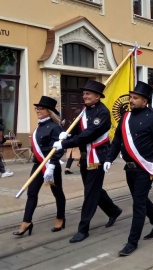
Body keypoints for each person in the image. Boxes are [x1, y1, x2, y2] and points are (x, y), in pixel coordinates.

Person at [104, 82, 153, 256]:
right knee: (139, 198)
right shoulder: (125, 117)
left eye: (135, 98)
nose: (131, 101)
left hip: (145, 169)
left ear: (145, 101)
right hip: (130, 168)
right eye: (131, 97)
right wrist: (109, 158)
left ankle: (132, 242)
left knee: (138, 204)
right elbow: (118, 140)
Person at [53, 80, 123, 243]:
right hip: (86, 156)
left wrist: (65, 144)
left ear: (97, 96)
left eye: (88, 94)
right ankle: (113, 210)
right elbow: (77, 130)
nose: (84, 96)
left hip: (98, 158)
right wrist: (66, 135)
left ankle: (83, 229)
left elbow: (89, 134)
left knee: (90, 193)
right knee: (93, 189)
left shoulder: (103, 113)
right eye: (83, 94)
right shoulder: (83, 112)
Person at [13, 96, 66, 236]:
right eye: (37, 108)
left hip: (51, 166)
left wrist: (52, 166)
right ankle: (26, 222)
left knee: (57, 192)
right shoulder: (39, 126)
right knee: (32, 193)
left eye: (41, 108)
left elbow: (59, 149)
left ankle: (60, 218)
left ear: (49, 111)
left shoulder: (56, 127)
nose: (37, 110)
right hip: (38, 165)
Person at [64, 109, 82, 175]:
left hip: (71, 139)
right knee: (82, 153)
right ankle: (81, 165)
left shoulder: (72, 121)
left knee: (71, 156)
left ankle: (67, 168)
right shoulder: (78, 121)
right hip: (76, 140)